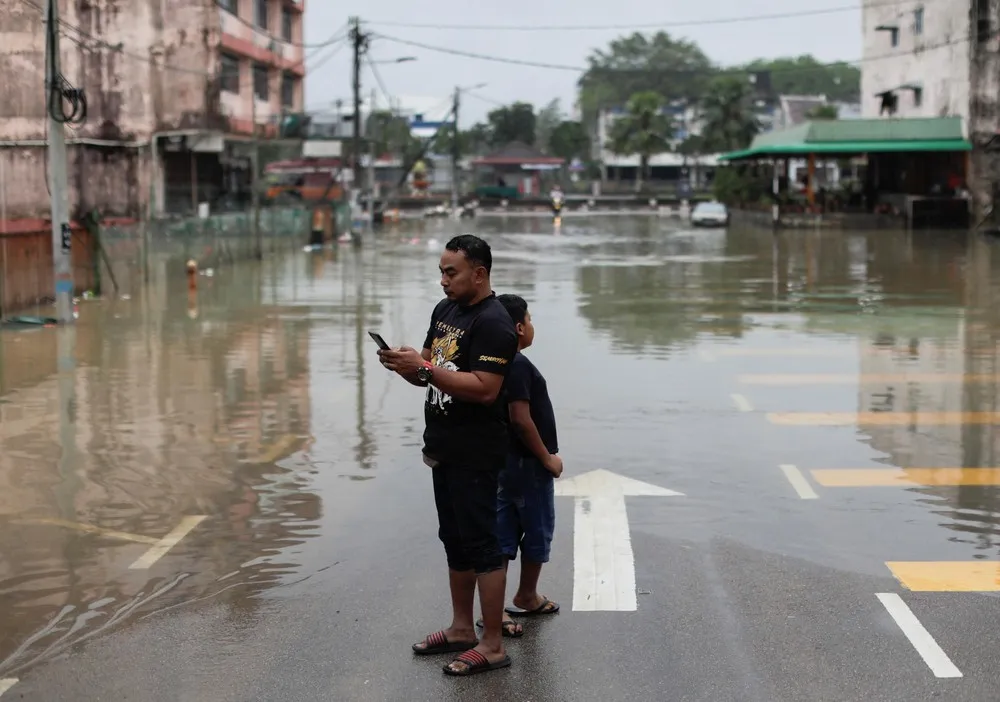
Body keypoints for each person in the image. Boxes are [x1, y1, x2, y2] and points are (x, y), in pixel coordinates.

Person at [378, 234, 518, 677]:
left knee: (483, 545)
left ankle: (491, 644)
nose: (443, 280)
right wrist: (405, 365)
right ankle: (461, 628)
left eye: (451, 272)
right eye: (441, 271)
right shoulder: (446, 311)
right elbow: (428, 371)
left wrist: (423, 368)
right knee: (454, 540)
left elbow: (485, 388)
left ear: (479, 273)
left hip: (476, 451)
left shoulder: (494, 322)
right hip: (443, 445)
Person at [484, 294, 562, 638]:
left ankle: (495, 609)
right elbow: (520, 418)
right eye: (529, 320)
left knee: (502, 533)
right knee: (538, 527)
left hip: (502, 462)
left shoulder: (493, 364)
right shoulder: (517, 365)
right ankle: (527, 595)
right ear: (518, 327)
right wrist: (547, 458)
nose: (532, 326)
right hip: (528, 465)